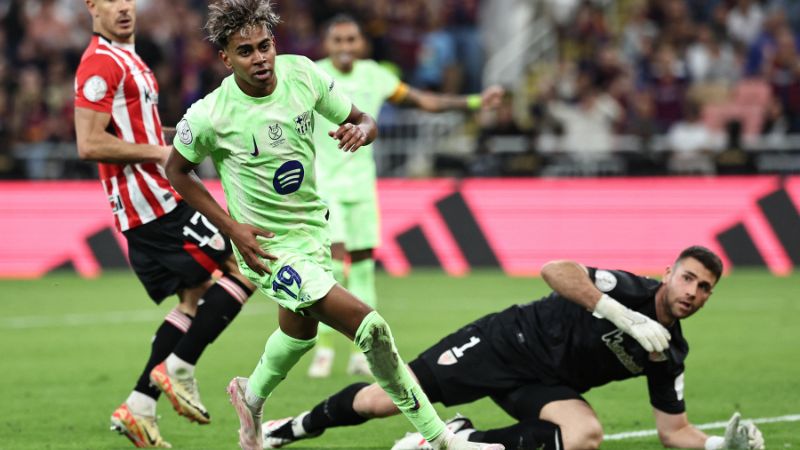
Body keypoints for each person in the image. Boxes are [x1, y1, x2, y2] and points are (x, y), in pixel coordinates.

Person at [163, 2, 504, 450]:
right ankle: (439, 439)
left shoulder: (302, 74)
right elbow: (176, 171)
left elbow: (364, 119)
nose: (260, 58)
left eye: (265, 46)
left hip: (312, 233)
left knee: (298, 334)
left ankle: (251, 396)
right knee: (371, 327)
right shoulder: (211, 114)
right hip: (266, 249)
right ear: (225, 58)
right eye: (245, 51)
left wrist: (362, 131)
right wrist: (233, 229)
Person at [261, 246, 766, 450]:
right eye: (688, 279)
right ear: (669, 274)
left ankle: (460, 439)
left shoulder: (668, 352)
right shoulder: (628, 289)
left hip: (545, 385)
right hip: (506, 343)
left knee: (585, 433)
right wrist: (618, 313)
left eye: (703, 289)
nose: (692, 293)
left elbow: (672, 430)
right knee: (383, 399)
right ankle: (286, 430)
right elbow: (556, 271)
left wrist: (722, 446)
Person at [74, 0, 256, 447]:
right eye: (109, 0)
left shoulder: (129, 57)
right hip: (154, 204)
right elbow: (90, 142)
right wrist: (160, 154)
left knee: (194, 296)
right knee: (249, 263)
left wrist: (193, 139)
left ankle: (140, 405)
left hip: (155, 201)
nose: (122, 8)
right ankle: (182, 365)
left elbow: (146, 134)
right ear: (91, 6)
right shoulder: (99, 64)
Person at [309, 14, 504, 378]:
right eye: (338, 41)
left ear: (361, 43)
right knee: (332, 267)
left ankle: (361, 348)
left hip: (362, 184)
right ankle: (323, 348)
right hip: (325, 186)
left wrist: (475, 103)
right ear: (327, 44)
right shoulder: (312, 75)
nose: (345, 47)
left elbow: (422, 101)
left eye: (351, 40)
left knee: (364, 267)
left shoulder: (376, 75)